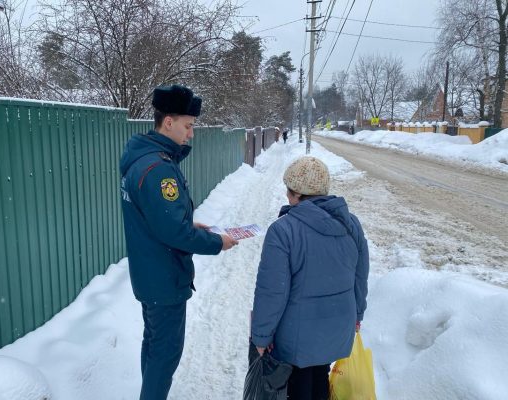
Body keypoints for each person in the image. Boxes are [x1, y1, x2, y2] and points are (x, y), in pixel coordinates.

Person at [119, 84, 238, 400]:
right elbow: (174, 233)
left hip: (149, 273)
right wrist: (216, 242)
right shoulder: (158, 170)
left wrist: (186, 222)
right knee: (165, 354)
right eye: (188, 126)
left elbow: (158, 220)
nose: (191, 134)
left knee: (154, 344)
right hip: (163, 278)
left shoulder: (143, 158)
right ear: (168, 122)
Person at [250, 156, 369, 400]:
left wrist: (261, 336)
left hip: (296, 335)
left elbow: (272, 291)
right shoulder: (351, 224)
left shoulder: (283, 230)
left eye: (288, 190)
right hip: (336, 326)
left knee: (299, 385)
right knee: (319, 377)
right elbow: (360, 275)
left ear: (295, 193)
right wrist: (357, 315)